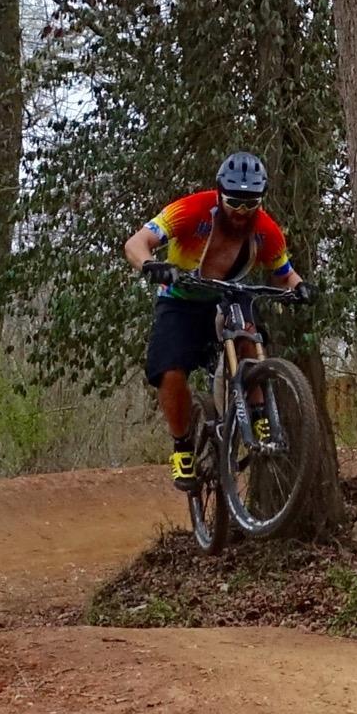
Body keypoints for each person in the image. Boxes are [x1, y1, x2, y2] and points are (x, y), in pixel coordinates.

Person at [124, 151, 311, 489]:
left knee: (249, 336)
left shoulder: (266, 230)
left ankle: (258, 417)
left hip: (227, 296)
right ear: (220, 194)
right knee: (169, 369)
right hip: (181, 299)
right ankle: (182, 447)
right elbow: (137, 243)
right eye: (234, 203)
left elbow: (284, 272)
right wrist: (151, 264)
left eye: (249, 205)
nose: (241, 213)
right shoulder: (192, 209)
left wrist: (300, 288)